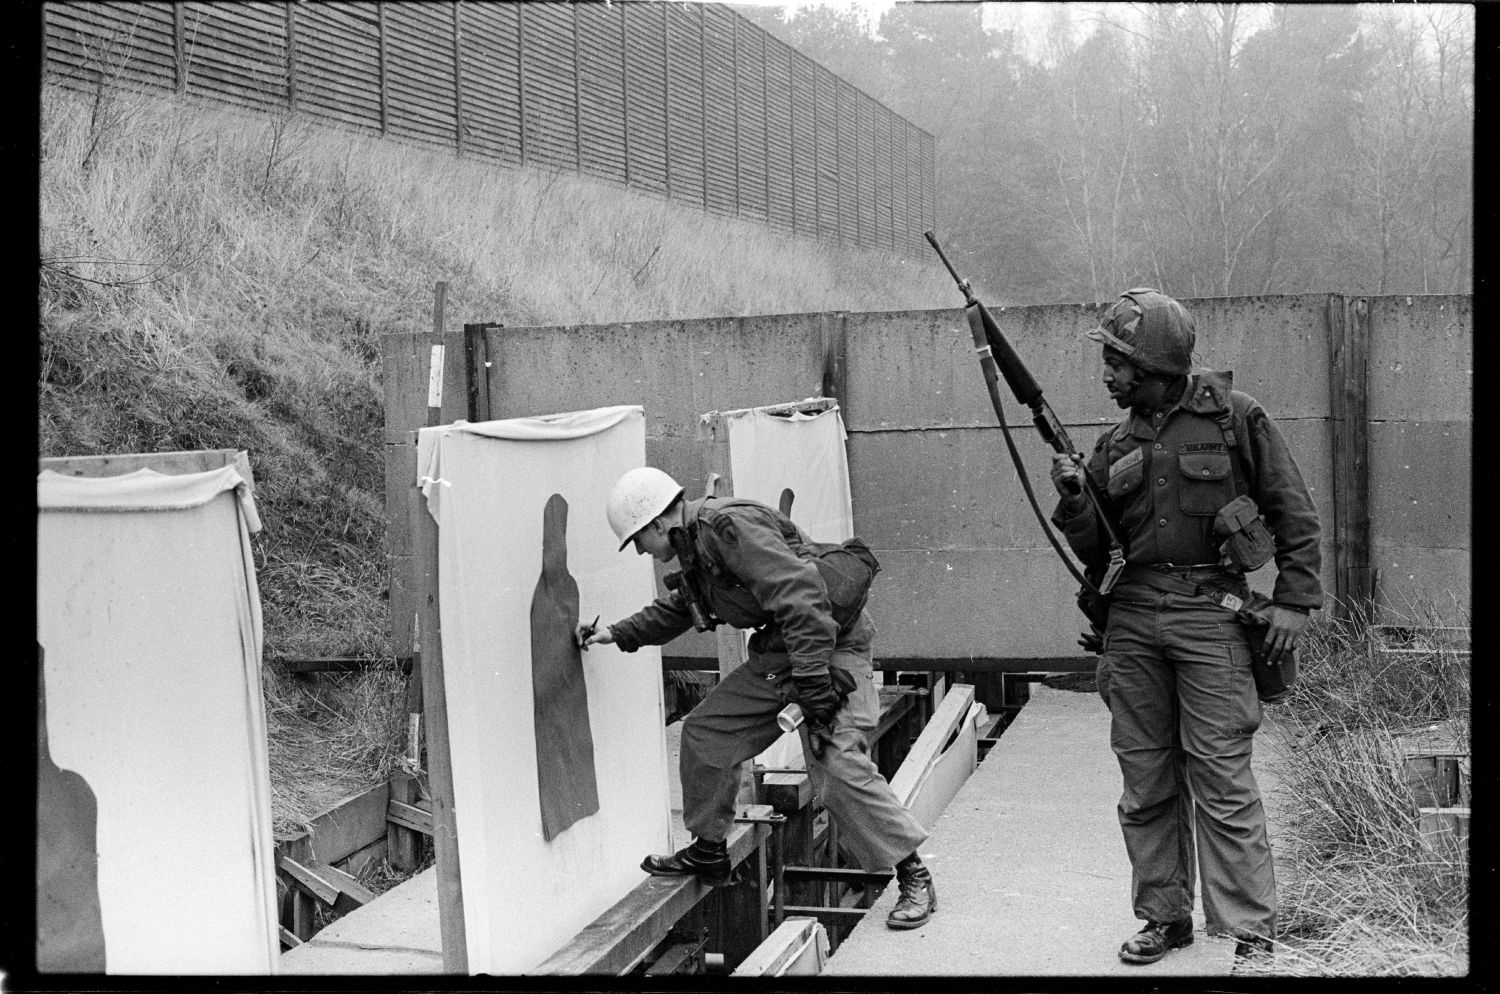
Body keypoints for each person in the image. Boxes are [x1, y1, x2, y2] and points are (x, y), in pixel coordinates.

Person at [1048, 288, 1322, 964]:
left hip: (1212, 613)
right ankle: (1165, 916)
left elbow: (1294, 511)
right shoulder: (1115, 442)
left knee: (1222, 775)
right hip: (1134, 618)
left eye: (1116, 361)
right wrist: (1076, 498)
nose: (1106, 374)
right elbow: (1096, 547)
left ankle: (1251, 928)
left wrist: (1293, 600)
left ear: (1153, 365)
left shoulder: (1235, 418)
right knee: (1145, 778)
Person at [579, 466, 936, 930]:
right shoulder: (696, 547)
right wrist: (616, 633)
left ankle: (914, 873)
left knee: (835, 761)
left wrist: (813, 684)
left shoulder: (727, 528)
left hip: (828, 646)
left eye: (640, 542)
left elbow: (804, 597)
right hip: (784, 651)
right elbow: (683, 608)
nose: (644, 552)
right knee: (708, 732)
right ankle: (709, 849)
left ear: (656, 524)